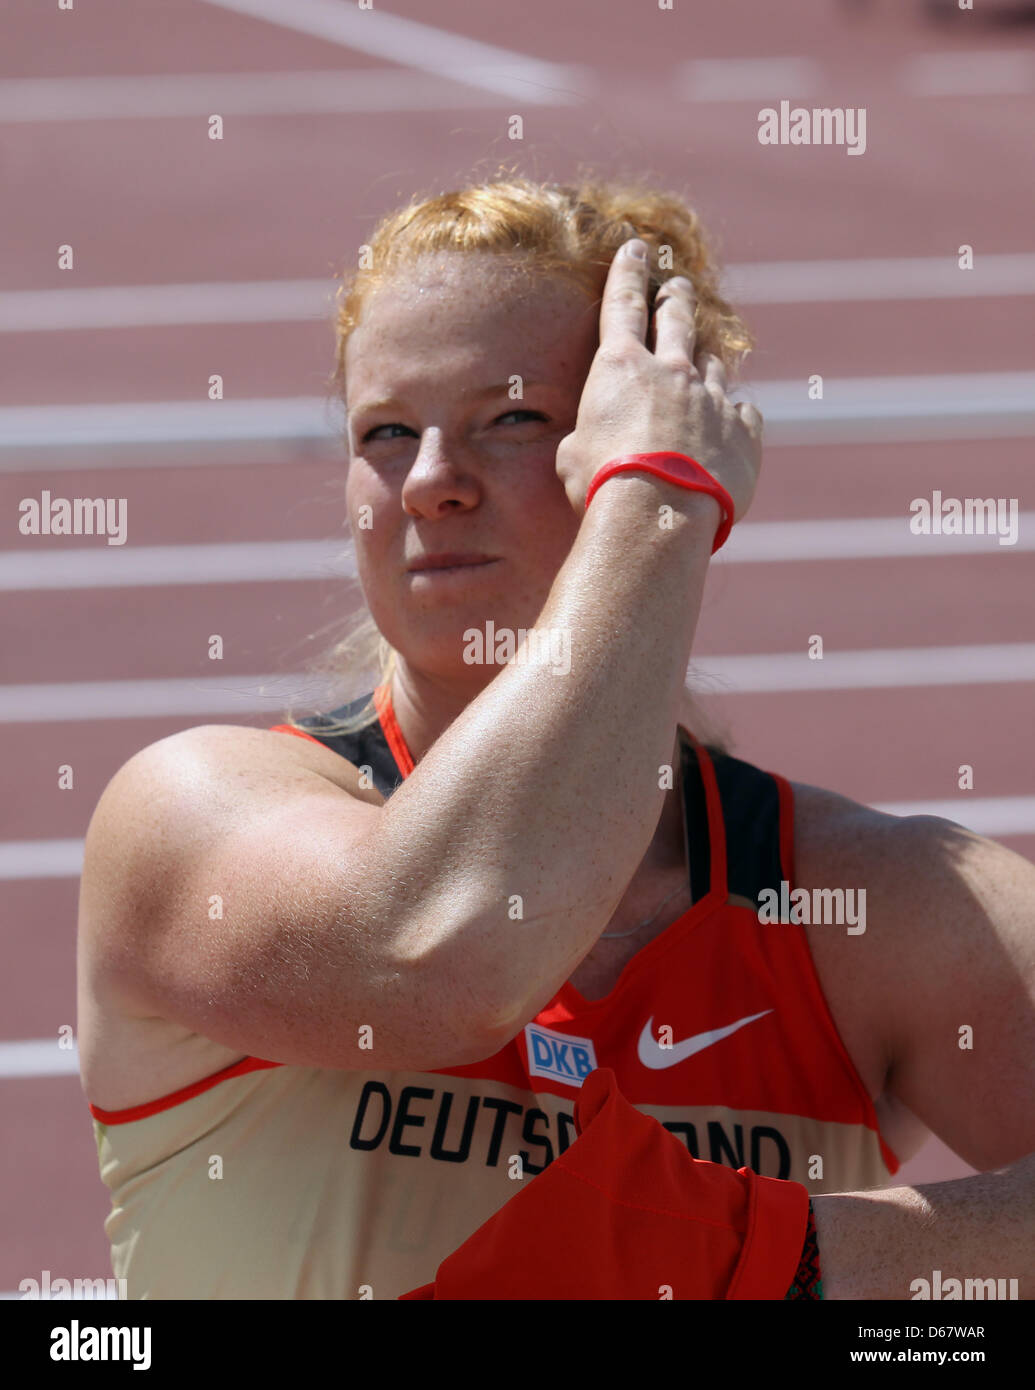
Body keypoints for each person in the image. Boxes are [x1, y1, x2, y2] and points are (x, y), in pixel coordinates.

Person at [76, 175, 1034, 1300]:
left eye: (514, 418)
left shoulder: (865, 907)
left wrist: (801, 1262)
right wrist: (657, 502)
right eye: (387, 432)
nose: (430, 482)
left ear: (673, 419)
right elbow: (442, 954)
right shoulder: (187, 817)